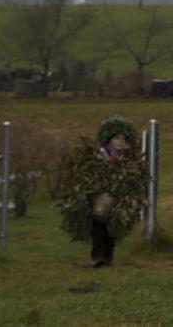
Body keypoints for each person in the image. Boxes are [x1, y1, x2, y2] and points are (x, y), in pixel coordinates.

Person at [57, 115, 148, 268]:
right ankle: (98, 257)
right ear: (108, 139)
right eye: (117, 138)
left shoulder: (128, 159)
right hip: (97, 200)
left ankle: (108, 257)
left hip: (117, 200)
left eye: (124, 139)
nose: (121, 142)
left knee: (112, 228)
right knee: (98, 226)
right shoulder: (99, 155)